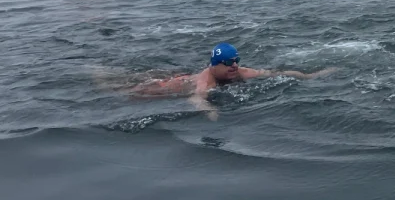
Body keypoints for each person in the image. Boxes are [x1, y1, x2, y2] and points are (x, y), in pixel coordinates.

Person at [128, 42, 334, 119]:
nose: (234, 66)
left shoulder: (240, 72)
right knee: (130, 91)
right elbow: (196, 98)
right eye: (227, 63)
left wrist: (308, 76)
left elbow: (273, 73)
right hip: (159, 89)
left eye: (236, 61)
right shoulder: (205, 81)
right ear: (214, 65)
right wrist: (210, 110)